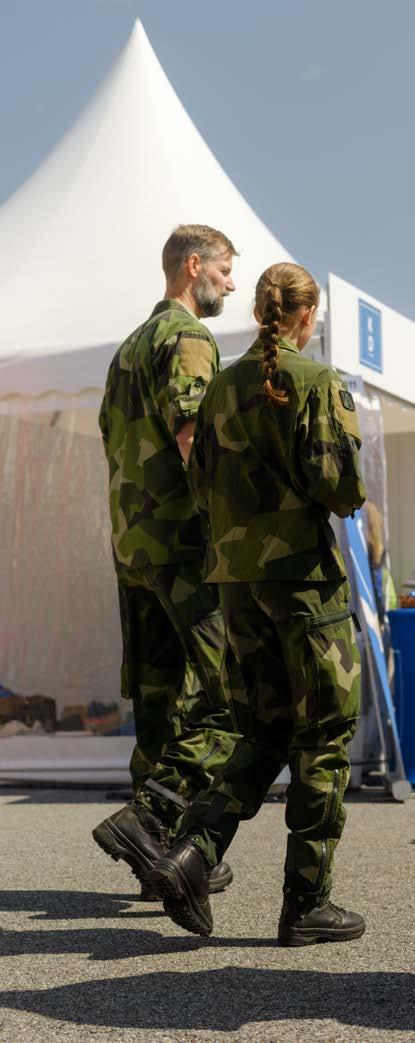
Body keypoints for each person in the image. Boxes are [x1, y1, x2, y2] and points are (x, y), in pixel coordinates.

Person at [149, 262, 367, 947]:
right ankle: (306, 903)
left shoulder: (217, 387)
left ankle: (192, 850)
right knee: (324, 736)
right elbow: (340, 489)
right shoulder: (315, 381)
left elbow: (197, 484)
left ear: (258, 312)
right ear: (306, 316)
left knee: (263, 732)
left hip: (236, 582)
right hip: (303, 582)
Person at [92, 225, 240, 900]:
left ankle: (154, 856)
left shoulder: (128, 347)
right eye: (225, 270)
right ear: (193, 266)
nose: (231, 284)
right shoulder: (187, 338)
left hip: (134, 544)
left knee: (157, 699)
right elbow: (192, 438)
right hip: (183, 544)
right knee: (230, 689)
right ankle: (155, 819)